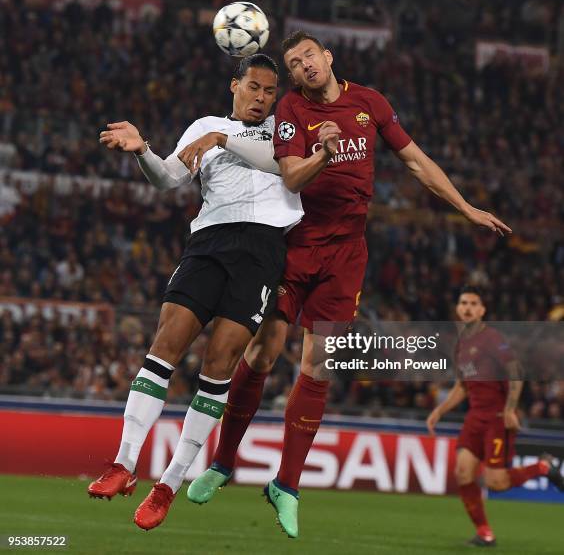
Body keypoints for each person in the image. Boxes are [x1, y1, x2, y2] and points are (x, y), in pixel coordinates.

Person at [180, 31, 512, 538]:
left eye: (309, 55)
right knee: (265, 351)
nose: (304, 65)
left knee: (319, 365)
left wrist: (466, 208)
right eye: (295, 62)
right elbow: (291, 177)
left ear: (328, 57)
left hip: (347, 256)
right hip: (293, 245)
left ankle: (285, 486)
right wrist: (324, 154)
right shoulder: (291, 108)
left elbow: (417, 162)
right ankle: (223, 461)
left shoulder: (370, 102)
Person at [87, 54, 304, 531]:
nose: (262, 98)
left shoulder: (286, 131)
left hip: (263, 248)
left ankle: (167, 485)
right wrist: (144, 150)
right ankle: (124, 463)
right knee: (165, 343)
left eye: (270, 91)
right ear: (235, 85)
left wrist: (224, 140)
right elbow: (168, 178)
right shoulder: (202, 125)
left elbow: (283, 167)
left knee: (221, 361)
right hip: (210, 241)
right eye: (254, 87)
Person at [426, 286, 564, 547]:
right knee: (463, 473)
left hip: (497, 418)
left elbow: (516, 372)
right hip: (474, 418)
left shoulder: (491, 339)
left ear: (482, 310)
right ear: (457, 308)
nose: (467, 307)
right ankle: (485, 533)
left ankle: (543, 467)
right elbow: (462, 386)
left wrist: (510, 409)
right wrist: (439, 411)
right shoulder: (461, 344)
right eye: (463, 302)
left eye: (473, 303)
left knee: (496, 483)